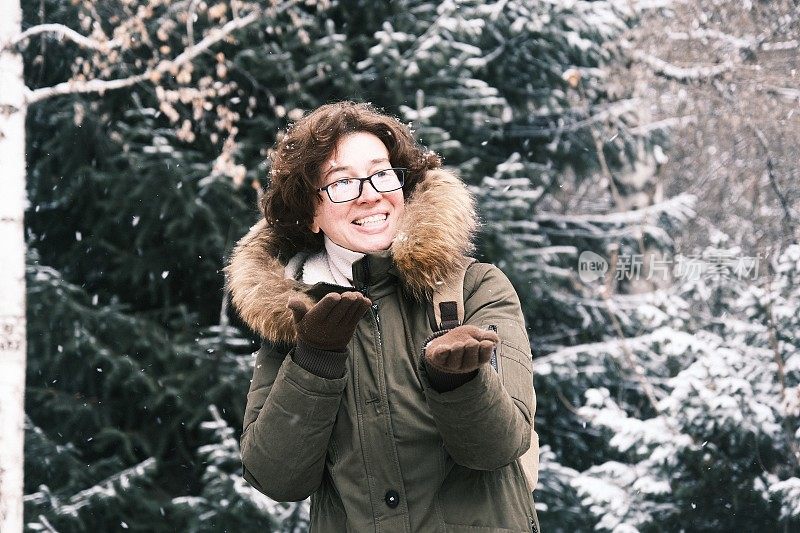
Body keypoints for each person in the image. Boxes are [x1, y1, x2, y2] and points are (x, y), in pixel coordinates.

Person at [226, 101, 540, 532]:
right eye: (342, 182)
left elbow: (500, 446)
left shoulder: (474, 288)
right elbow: (277, 477)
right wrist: (315, 361)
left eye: (381, 173)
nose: (371, 194)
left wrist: (459, 384)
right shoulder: (290, 316)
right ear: (311, 212)